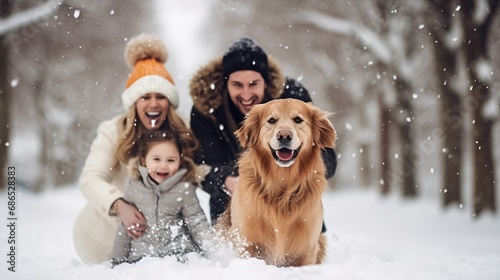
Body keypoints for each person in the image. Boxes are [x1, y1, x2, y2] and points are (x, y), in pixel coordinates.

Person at [73, 34, 200, 264]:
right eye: (145, 97)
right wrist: (120, 205)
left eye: (161, 96)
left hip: (166, 244)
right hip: (106, 237)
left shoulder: (182, 132)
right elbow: (90, 179)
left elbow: (203, 171)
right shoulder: (114, 131)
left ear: (169, 102)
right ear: (134, 103)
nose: (153, 104)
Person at [189, 37, 337, 225]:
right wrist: (225, 179)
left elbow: (328, 159)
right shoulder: (206, 109)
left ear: (265, 82)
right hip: (230, 201)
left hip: (297, 202)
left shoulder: (293, 96)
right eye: (237, 85)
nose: (246, 94)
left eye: (253, 84)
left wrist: (298, 166)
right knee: (231, 247)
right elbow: (202, 167)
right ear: (225, 84)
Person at [110, 130, 213, 266]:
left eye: (171, 160)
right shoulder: (134, 186)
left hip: (179, 256)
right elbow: (125, 227)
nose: (163, 165)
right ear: (143, 160)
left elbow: (196, 222)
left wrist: (212, 252)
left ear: (180, 161)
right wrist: (117, 261)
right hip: (142, 259)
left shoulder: (184, 188)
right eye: (156, 159)